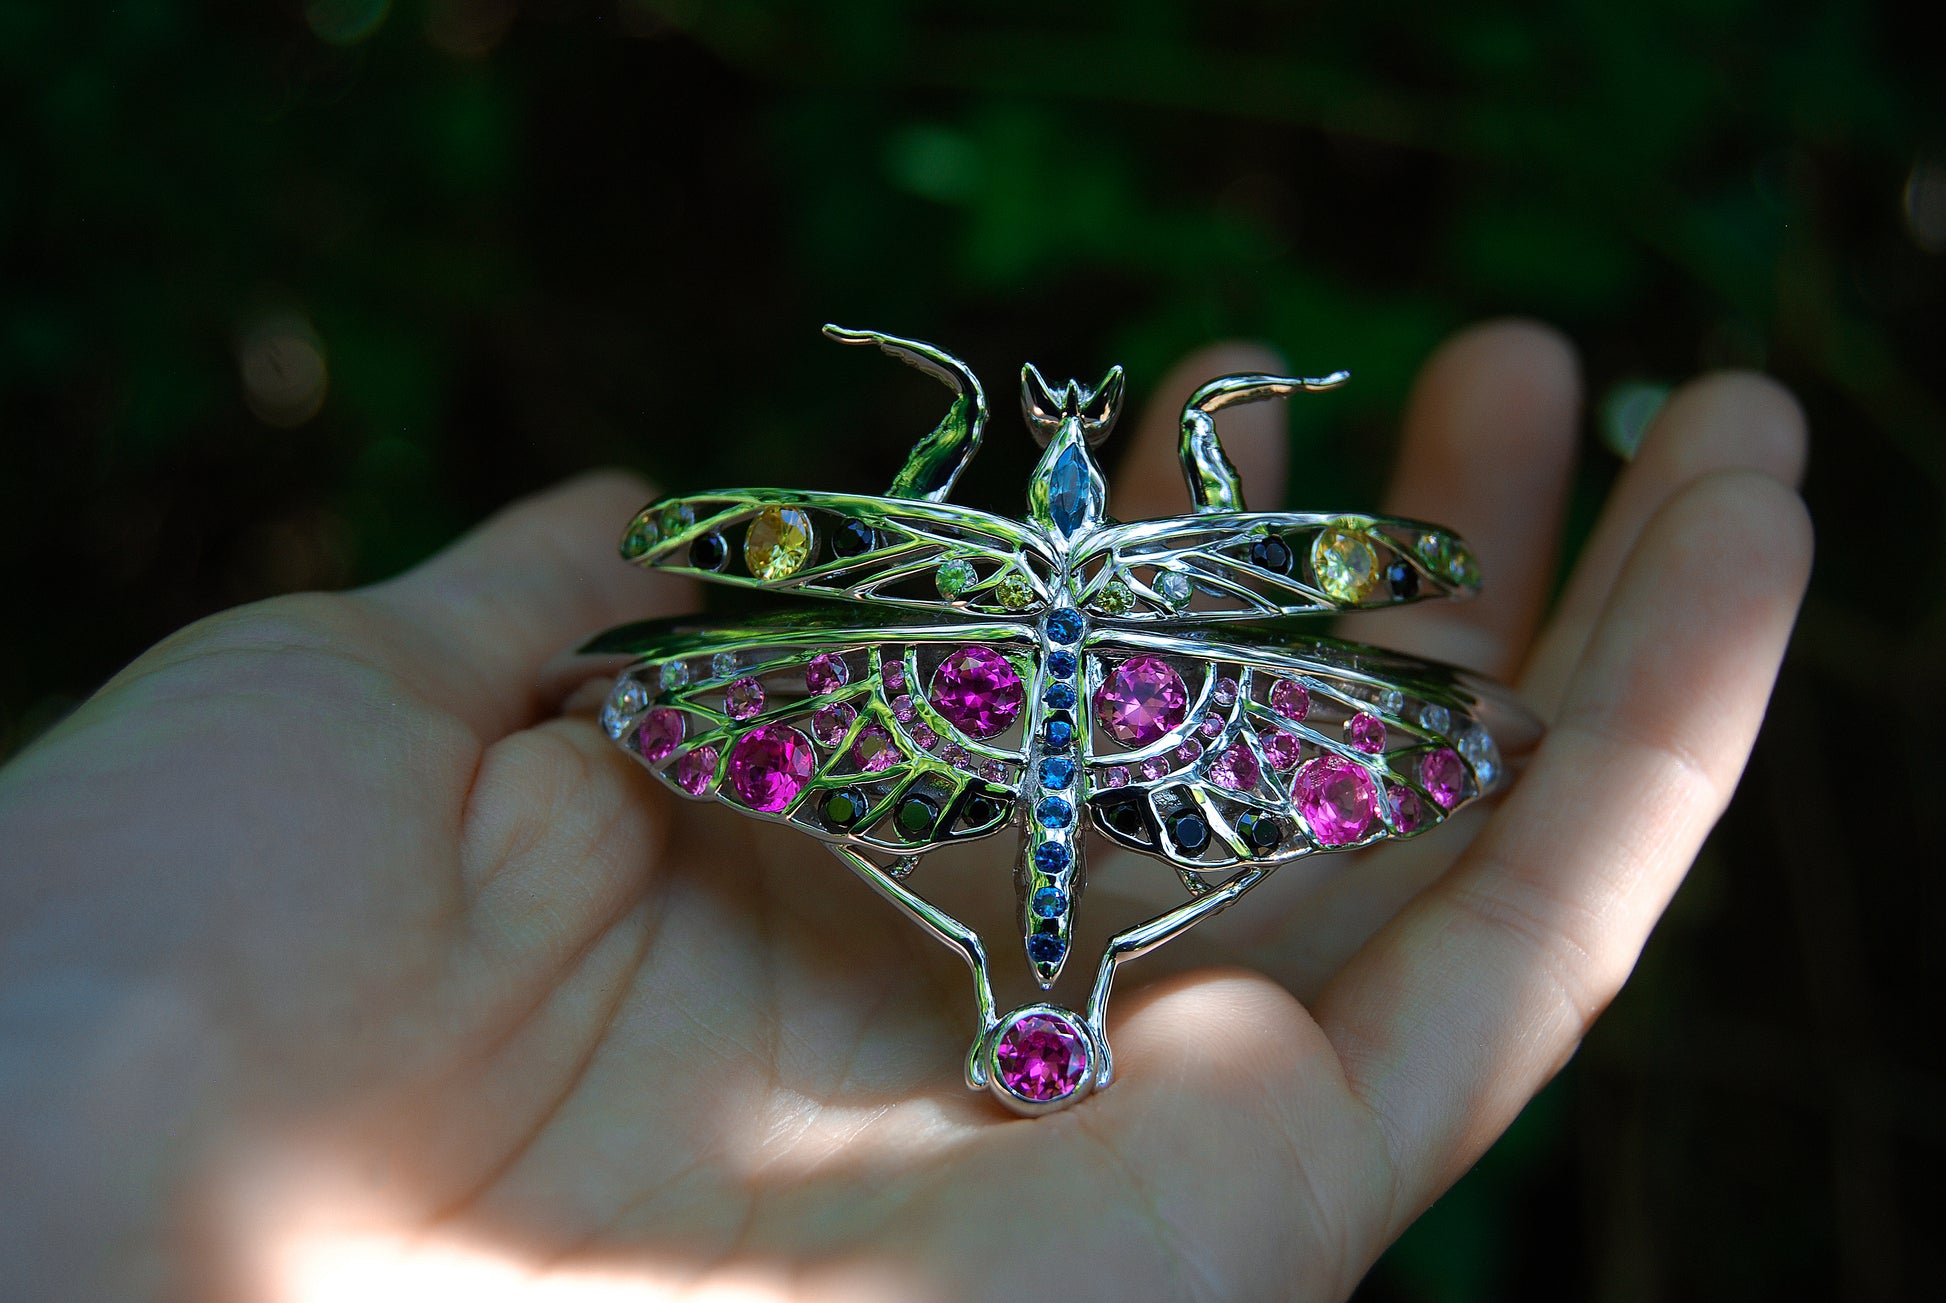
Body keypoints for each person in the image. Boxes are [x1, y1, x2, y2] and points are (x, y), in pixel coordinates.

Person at [0, 321, 1810, 1301]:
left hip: (1045, 729)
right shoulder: (1148, 550)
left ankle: (1023, 973)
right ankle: (1048, 976)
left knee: (1456, 722)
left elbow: (1440, 668)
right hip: (1105, 724)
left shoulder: (1021, 539)